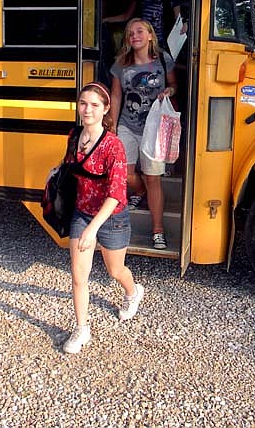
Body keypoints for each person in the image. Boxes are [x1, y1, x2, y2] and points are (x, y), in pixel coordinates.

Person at [63, 82, 145, 355]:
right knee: (78, 275)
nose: (87, 110)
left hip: (111, 217)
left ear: (106, 109)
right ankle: (81, 328)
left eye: (94, 105)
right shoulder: (74, 137)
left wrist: (93, 230)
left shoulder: (114, 146)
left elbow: (116, 193)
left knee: (114, 271)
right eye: (83, 103)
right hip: (82, 212)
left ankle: (133, 292)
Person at [109, 18, 178, 250]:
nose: (134, 35)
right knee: (125, 173)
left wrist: (169, 90)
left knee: (153, 178)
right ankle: (138, 191)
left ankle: (157, 230)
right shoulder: (121, 64)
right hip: (128, 125)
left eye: (139, 31)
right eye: (130, 33)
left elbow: (174, 85)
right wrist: (113, 124)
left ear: (150, 35)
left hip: (154, 127)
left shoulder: (163, 59)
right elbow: (116, 95)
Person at [103, 0, 186, 50]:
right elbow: (126, 16)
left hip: (162, 43)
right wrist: (106, 19)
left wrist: (185, 24)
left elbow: (178, 20)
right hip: (142, 41)